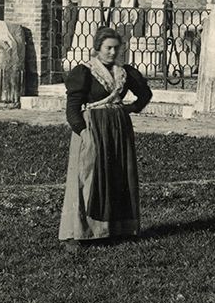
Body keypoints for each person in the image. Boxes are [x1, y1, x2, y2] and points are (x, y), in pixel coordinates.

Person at [60, 27, 153, 248]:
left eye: (116, 48)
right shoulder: (84, 72)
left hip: (118, 128)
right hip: (91, 129)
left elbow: (145, 94)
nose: (112, 52)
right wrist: (83, 133)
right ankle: (79, 233)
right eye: (108, 48)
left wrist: (129, 109)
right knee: (88, 176)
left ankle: (118, 230)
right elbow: (72, 109)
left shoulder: (124, 73)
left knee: (118, 174)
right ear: (97, 49)